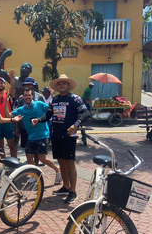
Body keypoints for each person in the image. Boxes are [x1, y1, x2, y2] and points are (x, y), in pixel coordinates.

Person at [32, 74, 90, 204]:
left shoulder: (75, 99)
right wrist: (38, 119)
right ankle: (66, 187)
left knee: (70, 162)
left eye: (64, 83)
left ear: (68, 86)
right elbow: (48, 115)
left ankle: (73, 191)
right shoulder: (55, 99)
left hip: (69, 135)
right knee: (61, 162)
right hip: (56, 135)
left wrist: (76, 125)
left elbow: (86, 113)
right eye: (59, 84)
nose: (61, 85)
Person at [6, 88, 62, 185]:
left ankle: (58, 171)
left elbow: (51, 110)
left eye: (29, 95)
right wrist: (6, 102)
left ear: (32, 96)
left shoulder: (39, 104)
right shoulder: (21, 109)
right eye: (26, 95)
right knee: (29, 156)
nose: (27, 97)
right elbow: (8, 115)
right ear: (23, 97)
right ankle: (34, 175)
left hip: (43, 135)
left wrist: (53, 97)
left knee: (42, 158)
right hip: (31, 137)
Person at [15, 77, 46, 149]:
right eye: (26, 85)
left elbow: (46, 113)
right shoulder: (21, 98)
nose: (28, 86)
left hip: (37, 128)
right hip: (25, 127)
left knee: (37, 150)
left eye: (30, 84)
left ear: (34, 86)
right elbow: (17, 113)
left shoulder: (40, 97)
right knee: (27, 148)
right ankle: (29, 161)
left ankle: (36, 161)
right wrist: (16, 128)